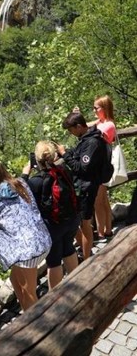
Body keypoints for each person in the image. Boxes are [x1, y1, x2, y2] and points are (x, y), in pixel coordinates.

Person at [0, 162, 51, 311]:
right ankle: (27, 314)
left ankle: (37, 322)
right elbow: (3, 194)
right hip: (42, 239)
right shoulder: (19, 183)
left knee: (29, 290)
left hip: (28, 251)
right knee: (14, 279)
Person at [22, 141, 79, 289]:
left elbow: (20, 198)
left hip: (52, 226)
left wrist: (24, 174)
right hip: (71, 220)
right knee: (69, 249)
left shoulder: (35, 182)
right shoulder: (63, 170)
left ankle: (55, 300)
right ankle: (79, 286)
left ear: (36, 159)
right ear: (54, 156)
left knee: (54, 261)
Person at [57, 112, 111, 261]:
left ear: (79, 126)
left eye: (71, 130)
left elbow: (82, 168)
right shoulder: (86, 139)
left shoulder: (92, 142)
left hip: (87, 189)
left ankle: (87, 259)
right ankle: (85, 252)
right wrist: (66, 153)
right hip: (82, 187)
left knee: (85, 224)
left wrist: (65, 155)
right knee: (79, 222)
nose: (70, 133)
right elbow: (79, 155)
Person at [93, 96, 116, 240]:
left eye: (96, 108)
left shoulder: (108, 125)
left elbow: (90, 133)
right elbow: (86, 125)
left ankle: (100, 232)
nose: (94, 110)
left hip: (100, 167)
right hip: (102, 166)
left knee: (98, 201)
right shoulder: (101, 122)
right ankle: (107, 229)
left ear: (105, 108)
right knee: (104, 199)